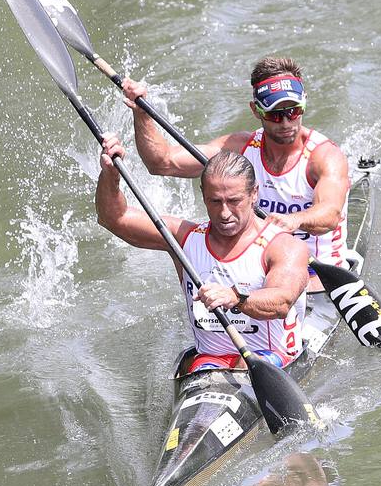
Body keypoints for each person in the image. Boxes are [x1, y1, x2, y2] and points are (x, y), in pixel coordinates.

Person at [120, 57, 353, 277]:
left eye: (293, 111)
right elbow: (162, 163)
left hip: (318, 277)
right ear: (256, 110)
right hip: (260, 273)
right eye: (274, 114)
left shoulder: (324, 157)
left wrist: (294, 220)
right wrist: (142, 114)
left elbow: (330, 214)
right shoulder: (239, 148)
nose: (286, 122)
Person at [95, 137, 311, 373]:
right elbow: (114, 219)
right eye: (215, 201)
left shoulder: (283, 246)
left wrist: (235, 298)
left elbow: (281, 302)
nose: (225, 213)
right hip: (211, 362)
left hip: (273, 361)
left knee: (242, 364)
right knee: (201, 365)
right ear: (203, 195)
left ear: (254, 194)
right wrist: (110, 176)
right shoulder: (184, 238)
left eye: (234, 201)